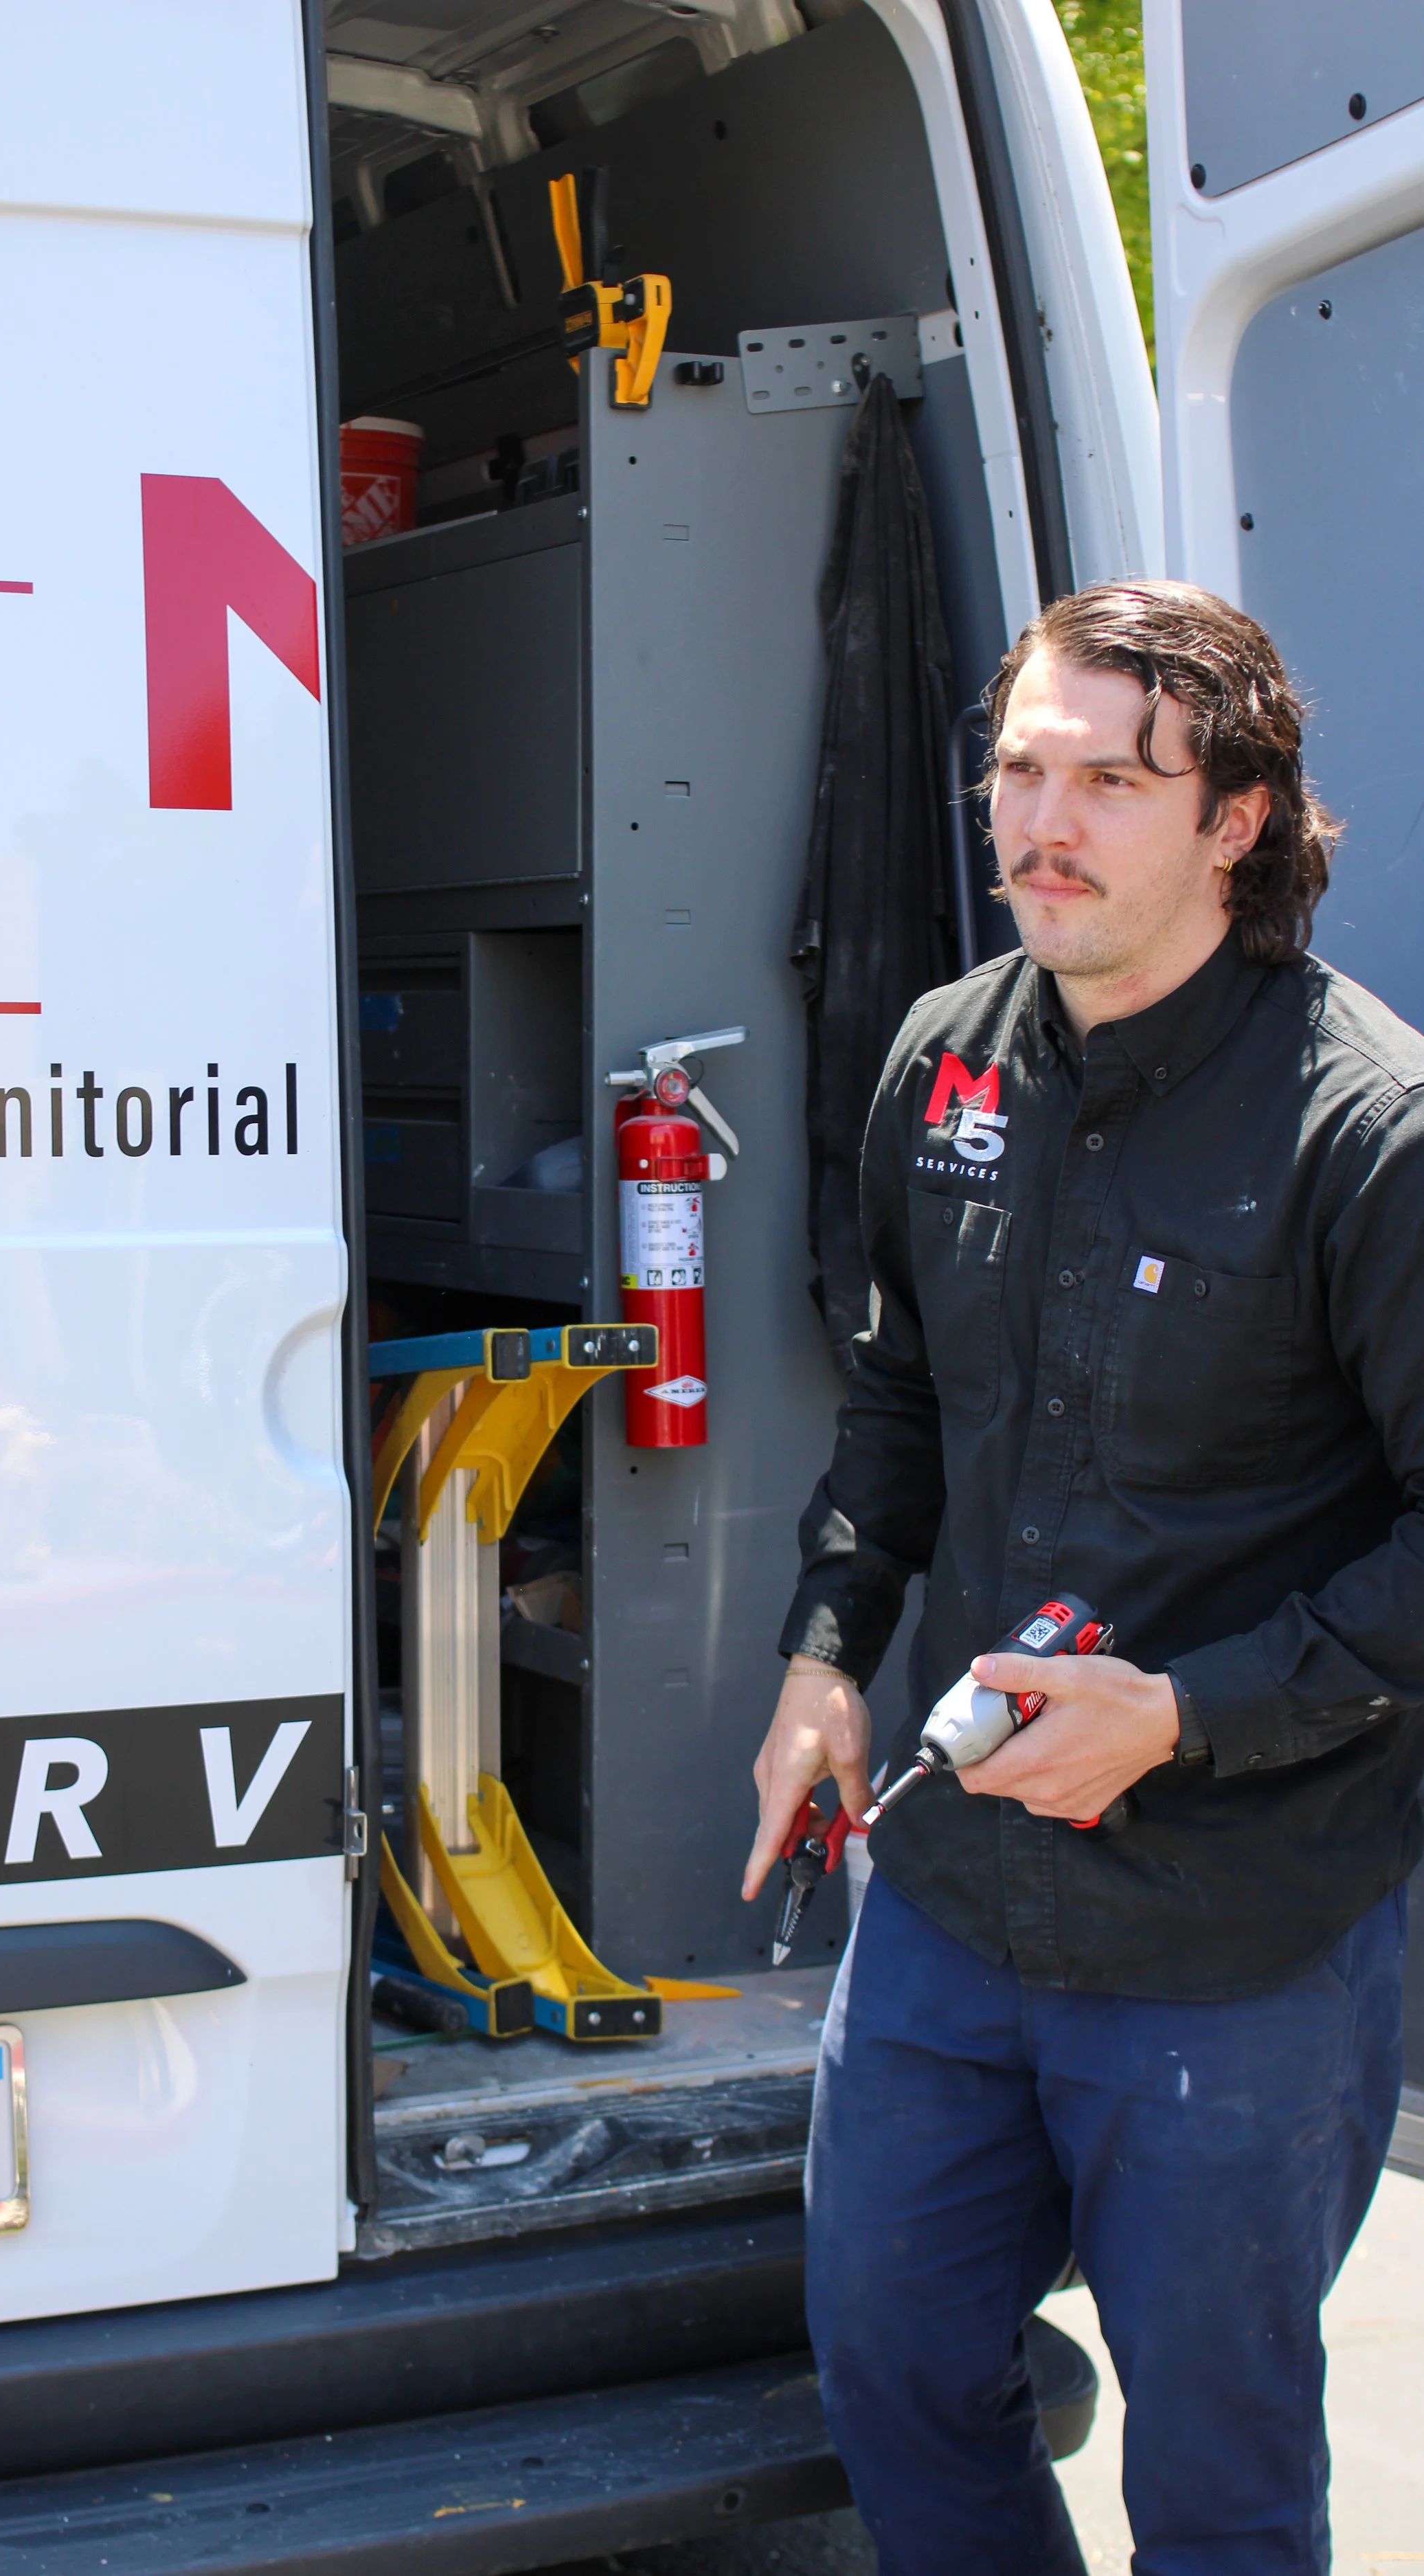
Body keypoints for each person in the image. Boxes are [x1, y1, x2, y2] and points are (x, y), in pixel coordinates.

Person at [744, 580, 1421, 2575]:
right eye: (1017, 769)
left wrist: (1187, 1715)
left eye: (1108, 781)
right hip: (953, 1885)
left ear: (1233, 818)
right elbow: (892, 1410)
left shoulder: (1361, 1130)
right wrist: (824, 1657)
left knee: (1216, 2476)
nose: (1041, 821)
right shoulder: (945, 1063)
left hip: (1237, 1931)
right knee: (892, 2363)